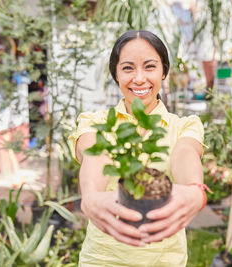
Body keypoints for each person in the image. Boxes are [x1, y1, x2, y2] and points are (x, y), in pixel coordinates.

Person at [70, 30, 208, 267]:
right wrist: (91, 195)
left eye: (150, 66)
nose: (139, 78)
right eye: (127, 68)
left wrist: (195, 189)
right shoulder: (95, 122)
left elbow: (185, 153)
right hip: (103, 260)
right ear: (115, 74)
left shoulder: (184, 125)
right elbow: (95, 155)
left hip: (165, 261)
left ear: (164, 71)